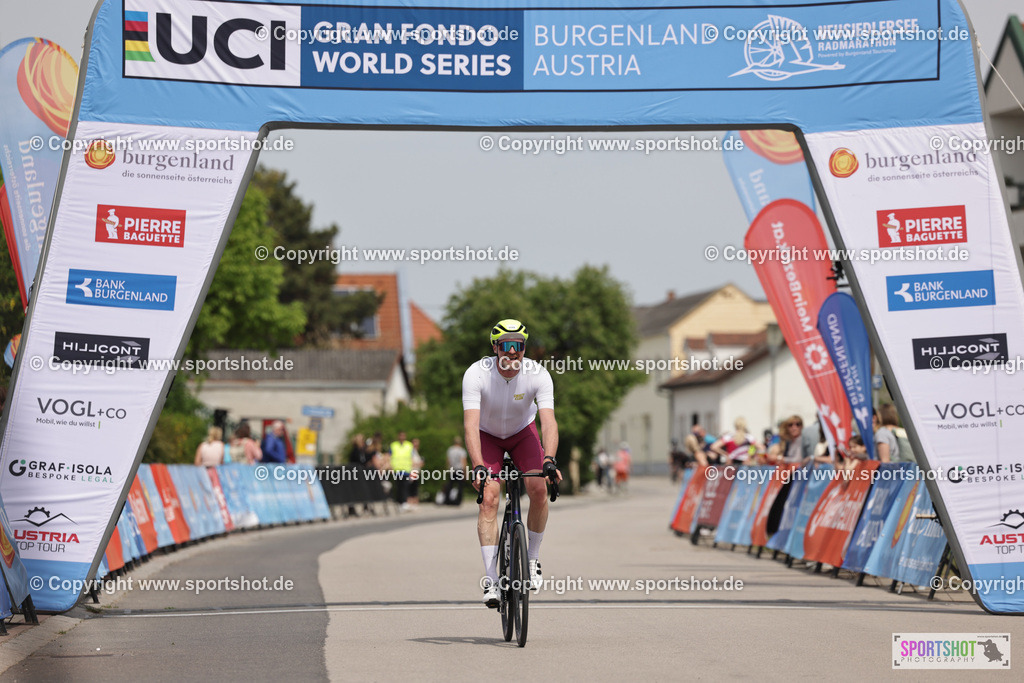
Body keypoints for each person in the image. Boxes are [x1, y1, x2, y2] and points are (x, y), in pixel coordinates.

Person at [465, 318, 561, 607]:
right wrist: (478, 464)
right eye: (505, 346)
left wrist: (549, 460)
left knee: (539, 489)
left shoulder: (537, 374)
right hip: (487, 435)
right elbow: (470, 425)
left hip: (523, 433)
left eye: (518, 346)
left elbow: (549, 422)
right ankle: (492, 580)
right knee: (489, 500)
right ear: (495, 348)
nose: (512, 352)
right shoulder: (476, 374)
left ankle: (532, 561)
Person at [390, 430, 414, 512]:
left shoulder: (409, 445)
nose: (402, 437)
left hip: (406, 469)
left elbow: (412, 458)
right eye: (401, 436)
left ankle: (404, 502)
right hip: (397, 470)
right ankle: (400, 502)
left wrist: (413, 471)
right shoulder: (394, 445)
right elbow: (390, 456)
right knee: (399, 487)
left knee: (405, 486)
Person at [443, 435, 467, 506]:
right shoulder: (462, 451)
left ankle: (447, 500)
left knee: (450, 485)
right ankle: (458, 501)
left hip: (452, 469)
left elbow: (448, 461)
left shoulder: (450, 450)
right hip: (459, 469)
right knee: (460, 486)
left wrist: (448, 468)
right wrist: (465, 472)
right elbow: (463, 462)